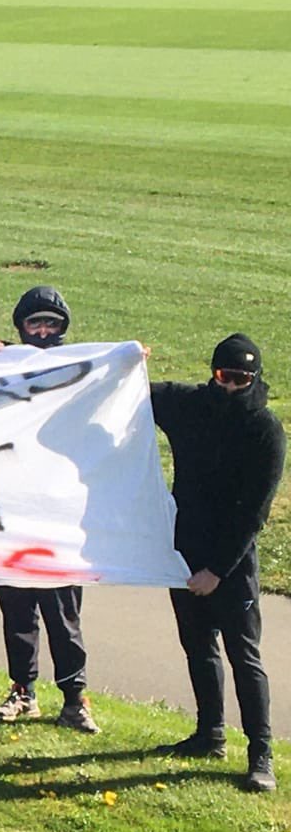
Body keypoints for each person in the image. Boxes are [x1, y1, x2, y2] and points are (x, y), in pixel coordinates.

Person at [149, 334, 284, 792]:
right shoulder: (189, 405)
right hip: (185, 549)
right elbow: (133, 391)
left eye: (241, 379)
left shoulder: (266, 430)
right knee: (198, 646)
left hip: (232, 561)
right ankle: (209, 734)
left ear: (254, 379)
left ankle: (260, 754)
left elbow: (256, 513)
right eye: (224, 377)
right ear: (213, 373)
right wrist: (130, 360)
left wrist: (218, 571)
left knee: (244, 656)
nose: (231, 387)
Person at [0, 286, 98, 733]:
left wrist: (127, 359)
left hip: (60, 517)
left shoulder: (82, 368)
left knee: (62, 613)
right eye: (35, 324)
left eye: (52, 324)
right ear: (21, 327)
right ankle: (22, 690)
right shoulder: (4, 364)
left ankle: (75, 698)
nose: (44, 331)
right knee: (16, 609)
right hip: (8, 513)